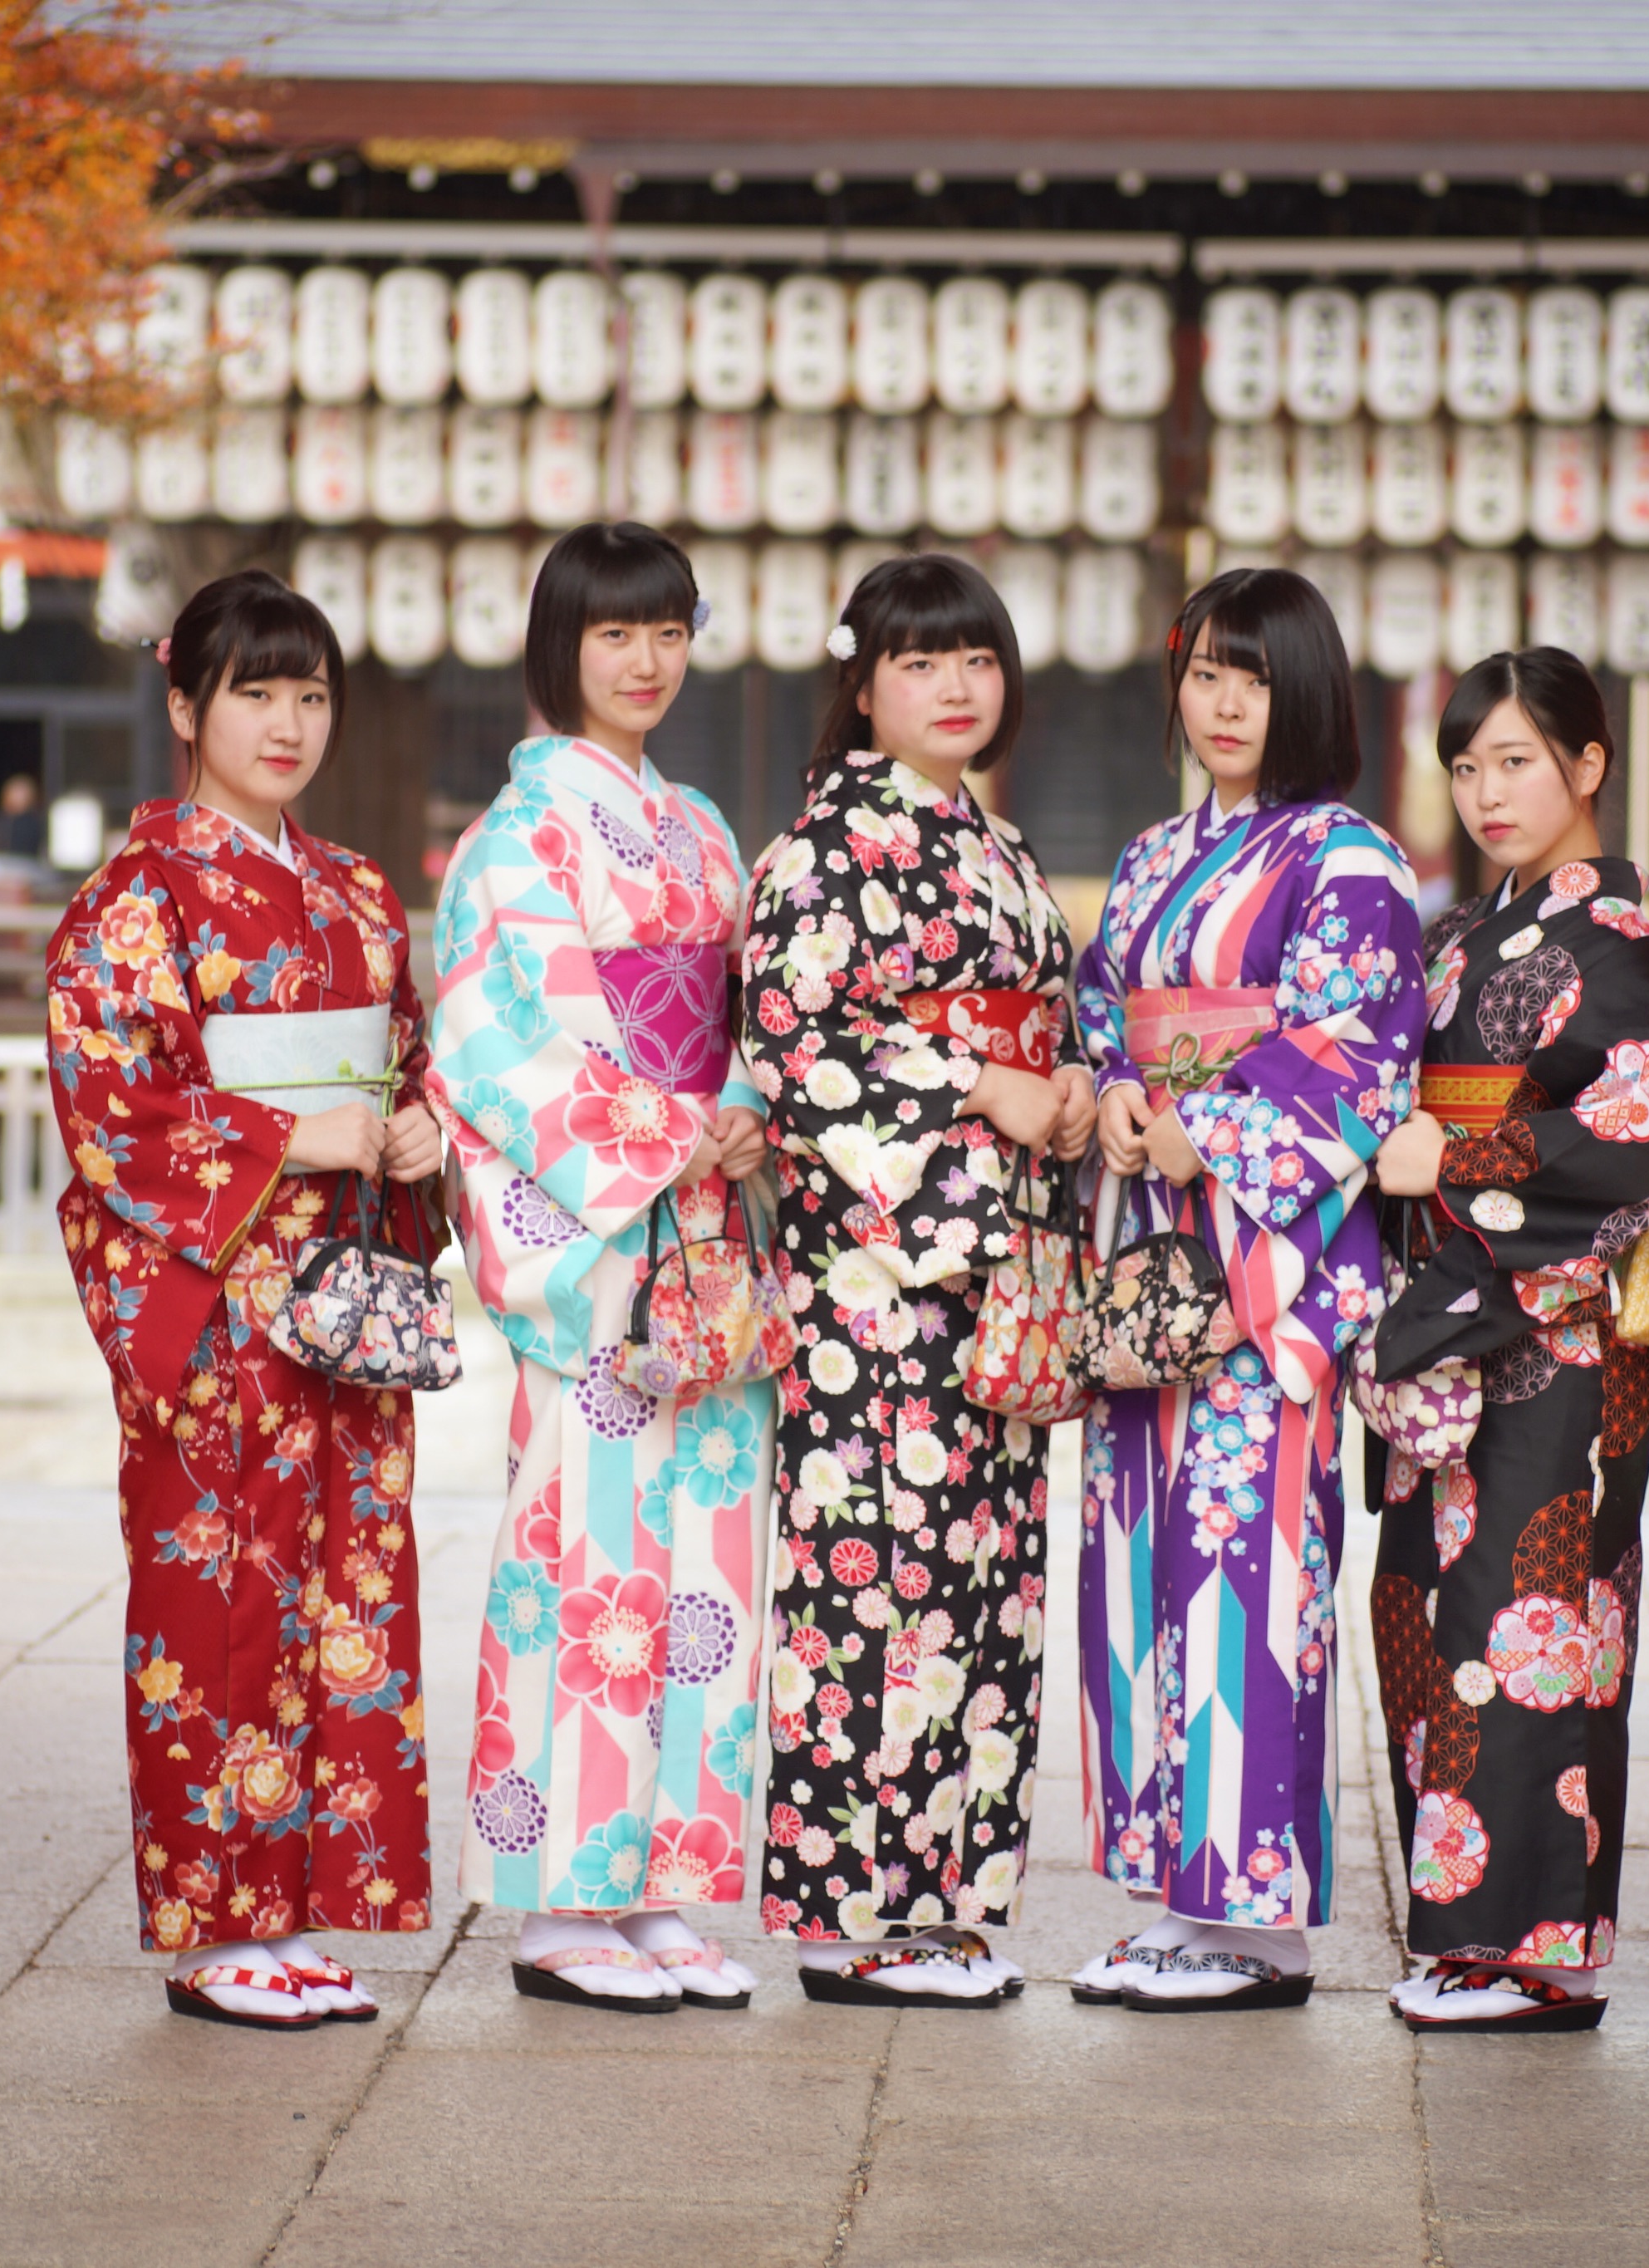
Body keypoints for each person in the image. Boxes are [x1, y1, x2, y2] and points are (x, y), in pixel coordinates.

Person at [42, 568, 445, 2030]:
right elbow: (114, 1113)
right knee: (218, 1603)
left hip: (341, 1300)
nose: (287, 721)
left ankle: (304, 1910)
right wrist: (289, 1134)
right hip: (215, 1316)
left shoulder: (352, 889)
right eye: (256, 691)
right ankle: (218, 1932)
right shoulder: (132, 906)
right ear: (185, 706)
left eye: (312, 692)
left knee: (345, 1598)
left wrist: (414, 1134)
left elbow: (403, 1064)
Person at [737, 555, 1096, 2005]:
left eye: (978, 661)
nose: (956, 687)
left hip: (993, 1281)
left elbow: (1055, 1027)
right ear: (863, 682)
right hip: (878, 1291)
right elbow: (798, 1053)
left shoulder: (995, 850)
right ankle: (845, 1913)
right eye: (922, 662)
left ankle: (941, 1899)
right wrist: (983, 1086)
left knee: (986, 1591)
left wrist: (1065, 1090)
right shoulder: (819, 856)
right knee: (872, 1589)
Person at [429, 523, 774, 2014]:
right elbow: (504, 1045)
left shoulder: (700, 824)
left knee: (705, 1567)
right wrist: (684, 1129)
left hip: (708, 1230)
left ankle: (659, 1886)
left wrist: (752, 1098)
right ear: (560, 644)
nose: (645, 661)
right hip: (611, 1240)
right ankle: (561, 1898)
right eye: (614, 633)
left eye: (668, 631)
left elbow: (757, 998)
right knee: (583, 1559)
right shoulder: (518, 840)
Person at [1067, 567, 1423, 2010]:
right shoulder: (1156, 857)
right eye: (1205, 674)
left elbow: (1359, 1048)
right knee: (1149, 1571)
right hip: (1156, 1255)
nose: (1224, 704)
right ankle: (1180, 1894)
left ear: (1309, 691)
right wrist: (1107, 1095)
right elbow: (1104, 1007)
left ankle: (1256, 1915)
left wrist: (1197, 1125)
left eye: (1255, 677)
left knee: (1250, 1575)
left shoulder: (1352, 860)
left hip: (1260, 1271)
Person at [1364, 650, 1649, 2032]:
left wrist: (1458, 1149)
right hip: (1454, 1327)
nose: (1487, 792)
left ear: (1589, 765)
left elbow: (1625, 1141)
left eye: (1516, 761)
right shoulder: (1459, 940)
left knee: (1534, 1624)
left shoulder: (1619, 953)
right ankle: (1463, 1934)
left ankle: (1539, 1945)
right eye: (1466, 765)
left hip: (1557, 1346)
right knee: (1432, 1620)